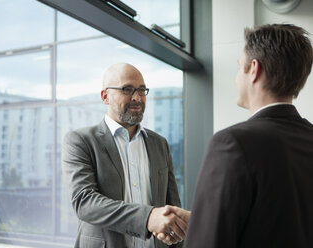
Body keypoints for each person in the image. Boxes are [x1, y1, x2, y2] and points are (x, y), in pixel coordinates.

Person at [181, 24, 313, 247]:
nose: (235, 78)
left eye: (238, 67)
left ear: (254, 69)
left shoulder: (232, 143)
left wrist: (203, 227)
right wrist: (201, 220)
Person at [62, 63, 190, 248]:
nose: (137, 97)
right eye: (127, 89)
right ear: (105, 96)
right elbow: (85, 202)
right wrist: (148, 218)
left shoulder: (159, 143)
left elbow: (172, 207)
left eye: (142, 90)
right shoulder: (80, 141)